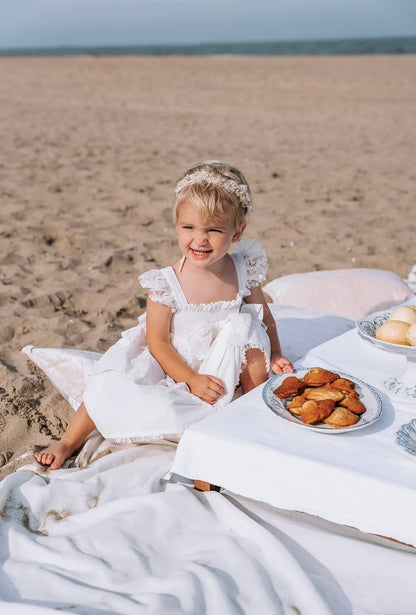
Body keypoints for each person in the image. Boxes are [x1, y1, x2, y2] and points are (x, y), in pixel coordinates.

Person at [35, 160, 293, 470]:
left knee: (247, 327)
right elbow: (158, 343)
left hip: (222, 365)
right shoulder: (166, 283)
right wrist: (191, 379)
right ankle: (69, 441)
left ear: (237, 231)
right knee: (112, 381)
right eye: (189, 228)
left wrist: (275, 352)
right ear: (176, 226)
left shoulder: (244, 269)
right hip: (174, 364)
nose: (199, 240)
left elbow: (265, 317)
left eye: (213, 230)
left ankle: (252, 411)